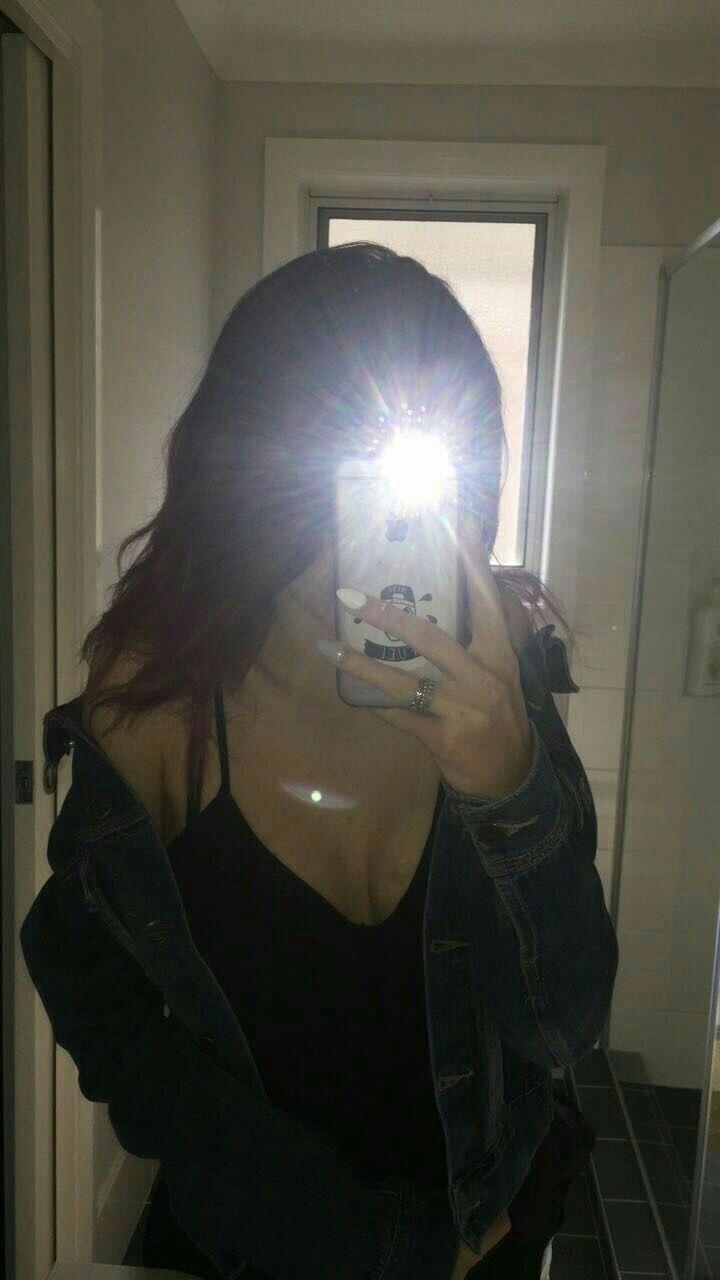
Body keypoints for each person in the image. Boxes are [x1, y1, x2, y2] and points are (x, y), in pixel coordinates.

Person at [20, 242, 617, 1279]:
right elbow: (95, 1000)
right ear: (249, 471)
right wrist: (348, 1233)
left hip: (498, 1237)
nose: (383, 526)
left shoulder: (498, 677)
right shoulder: (161, 703)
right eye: (344, 468)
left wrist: (508, 785)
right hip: (258, 1253)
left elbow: (563, 1028)